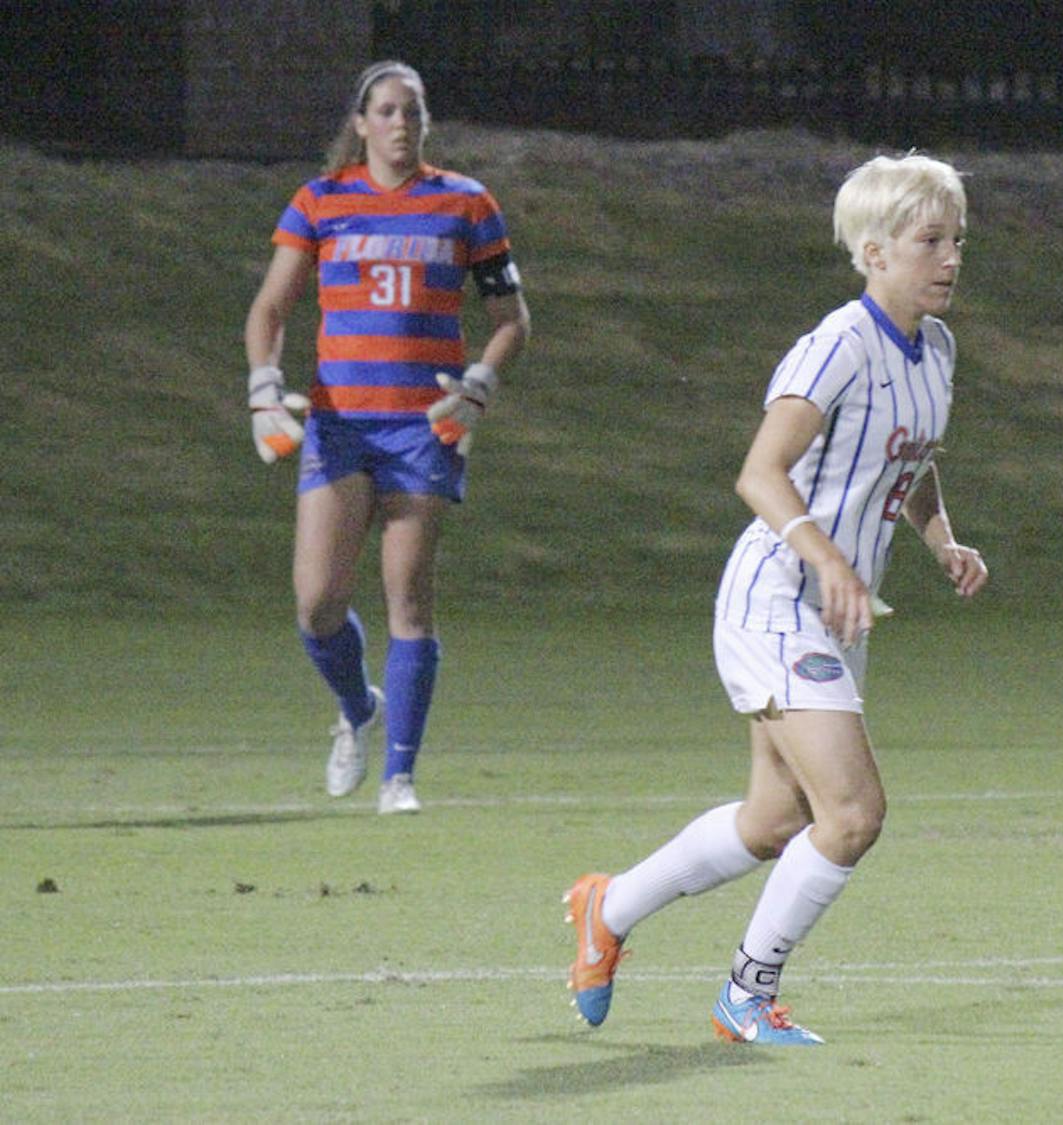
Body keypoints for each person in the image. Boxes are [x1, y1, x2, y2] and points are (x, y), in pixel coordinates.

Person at [565, 152, 987, 1044]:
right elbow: (760, 473)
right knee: (854, 813)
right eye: (929, 241)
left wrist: (941, 537)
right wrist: (827, 559)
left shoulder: (936, 348)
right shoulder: (839, 344)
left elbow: (906, 462)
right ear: (874, 252)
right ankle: (745, 994)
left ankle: (608, 907)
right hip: (777, 600)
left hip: (836, 606)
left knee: (773, 821)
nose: (949, 258)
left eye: (956, 239)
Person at [243, 60, 529, 814]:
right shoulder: (321, 200)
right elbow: (271, 307)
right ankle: (359, 709)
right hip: (340, 425)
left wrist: (480, 385)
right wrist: (263, 384)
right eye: (386, 111)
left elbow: (512, 321)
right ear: (361, 121)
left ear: (424, 122)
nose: (400, 123)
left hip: (420, 428)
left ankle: (400, 776)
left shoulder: (465, 203)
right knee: (316, 603)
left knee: (409, 597)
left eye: (413, 111)